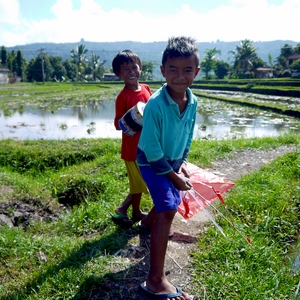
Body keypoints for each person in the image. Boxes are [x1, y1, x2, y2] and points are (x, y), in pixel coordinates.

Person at [137, 36, 200, 300]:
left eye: (187, 70)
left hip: (172, 161)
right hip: (150, 162)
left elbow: (187, 136)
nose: (180, 76)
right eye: (172, 70)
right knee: (169, 207)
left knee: (168, 197)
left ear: (196, 72)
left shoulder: (193, 101)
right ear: (162, 71)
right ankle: (155, 280)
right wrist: (173, 176)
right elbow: (152, 152)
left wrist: (182, 163)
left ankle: (146, 224)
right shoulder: (155, 105)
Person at [111, 49, 152, 227]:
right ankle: (122, 208)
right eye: (125, 69)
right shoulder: (123, 97)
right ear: (118, 74)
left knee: (139, 182)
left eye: (134, 67)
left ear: (140, 68)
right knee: (139, 182)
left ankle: (135, 212)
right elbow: (117, 124)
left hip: (147, 145)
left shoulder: (146, 89)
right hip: (132, 149)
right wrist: (131, 119)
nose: (131, 72)